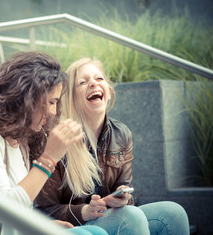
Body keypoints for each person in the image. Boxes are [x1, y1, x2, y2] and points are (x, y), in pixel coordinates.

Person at [0, 52, 108, 235]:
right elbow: (5, 210)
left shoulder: (19, 139)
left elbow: (22, 206)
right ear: (27, 97)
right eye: (51, 102)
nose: (54, 112)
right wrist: (49, 158)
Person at [34, 57, 190, 235]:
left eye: (99, 79)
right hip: (74, 227)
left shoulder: (121, 133)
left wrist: (123, 198)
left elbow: (125, 193)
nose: (93, 83)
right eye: (82, 82)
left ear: (108, 91)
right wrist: (83, 211)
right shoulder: (57, 138)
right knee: (130, 217)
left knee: (173, 213)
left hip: (113, 218)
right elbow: (42, 210)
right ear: (71, 97)